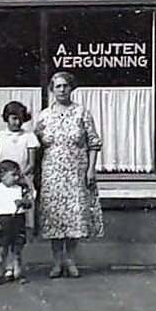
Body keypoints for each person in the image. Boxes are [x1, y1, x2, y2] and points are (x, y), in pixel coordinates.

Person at [34, 71, 102, 279]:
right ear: (51, 90)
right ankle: (56, 262)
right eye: (58, 87)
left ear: (72, 88)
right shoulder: (44, 115)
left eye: (65, 86)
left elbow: (94, 143)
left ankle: (70, 261)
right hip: (52, 173)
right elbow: (35, 145)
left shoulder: (82, 113)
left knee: (74, 215)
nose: (62, 90)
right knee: (54, 216)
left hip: (75, 171)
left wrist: (90, 169)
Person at [0, 101, 41, 235]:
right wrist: (3, 177)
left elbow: (31, 163)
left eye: (20, 119)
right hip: (3, 180)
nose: (17, 123)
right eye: (14, 118)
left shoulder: (29, 137)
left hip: (22, 178)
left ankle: (22, 240)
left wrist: (18, 176)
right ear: (7, 117)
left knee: (22, 214)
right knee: (3, 212)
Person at [0, 159, 33, 283]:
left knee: (17, 250)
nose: (16, 177)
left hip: (18, 220)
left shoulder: (20, 189)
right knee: (2, 250)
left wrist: (24, 202)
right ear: (2, 175)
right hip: (3, 222)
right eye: (13, 175)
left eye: (17, 174)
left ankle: (17, 272)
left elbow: (29, 204)